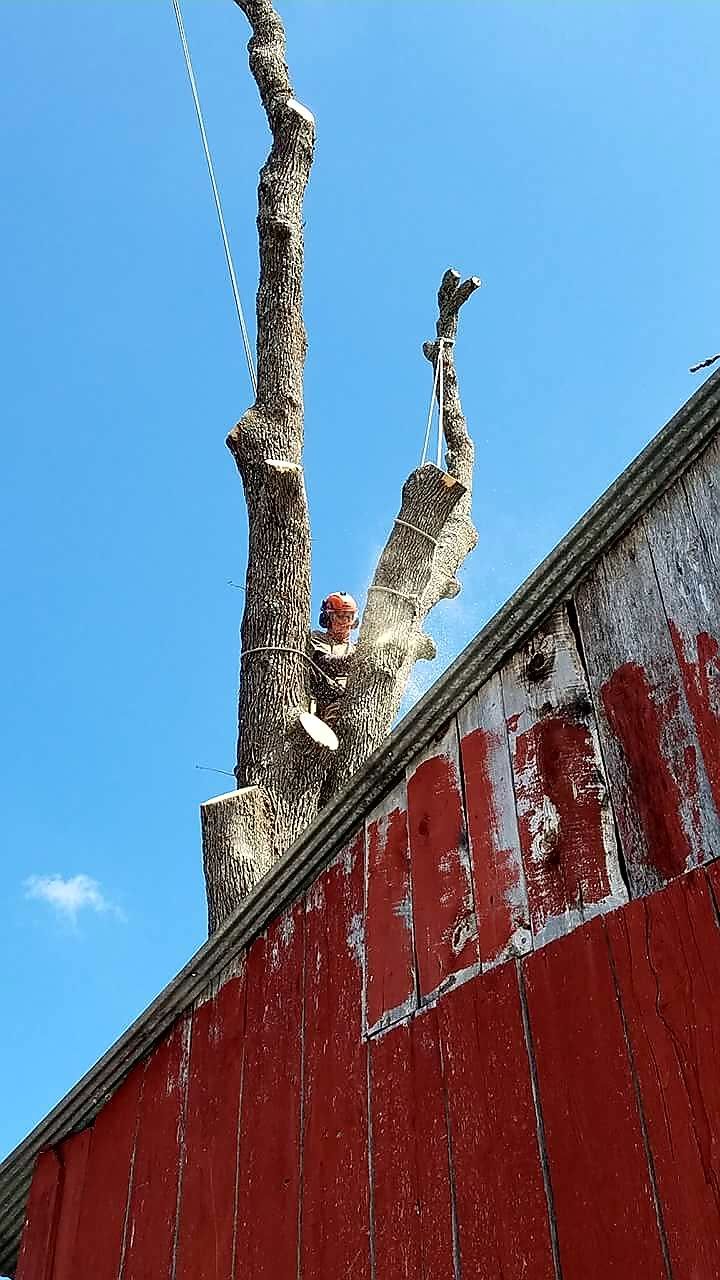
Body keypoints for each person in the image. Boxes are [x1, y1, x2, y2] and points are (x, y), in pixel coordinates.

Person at [307, 591, 359, 720]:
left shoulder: (353, 649)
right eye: (340, 616)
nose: (345, 622)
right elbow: (324, 663)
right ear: (328, 618)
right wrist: (356, 659)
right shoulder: (318, 638)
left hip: (349, 701)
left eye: (349, 617)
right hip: (323, 704)